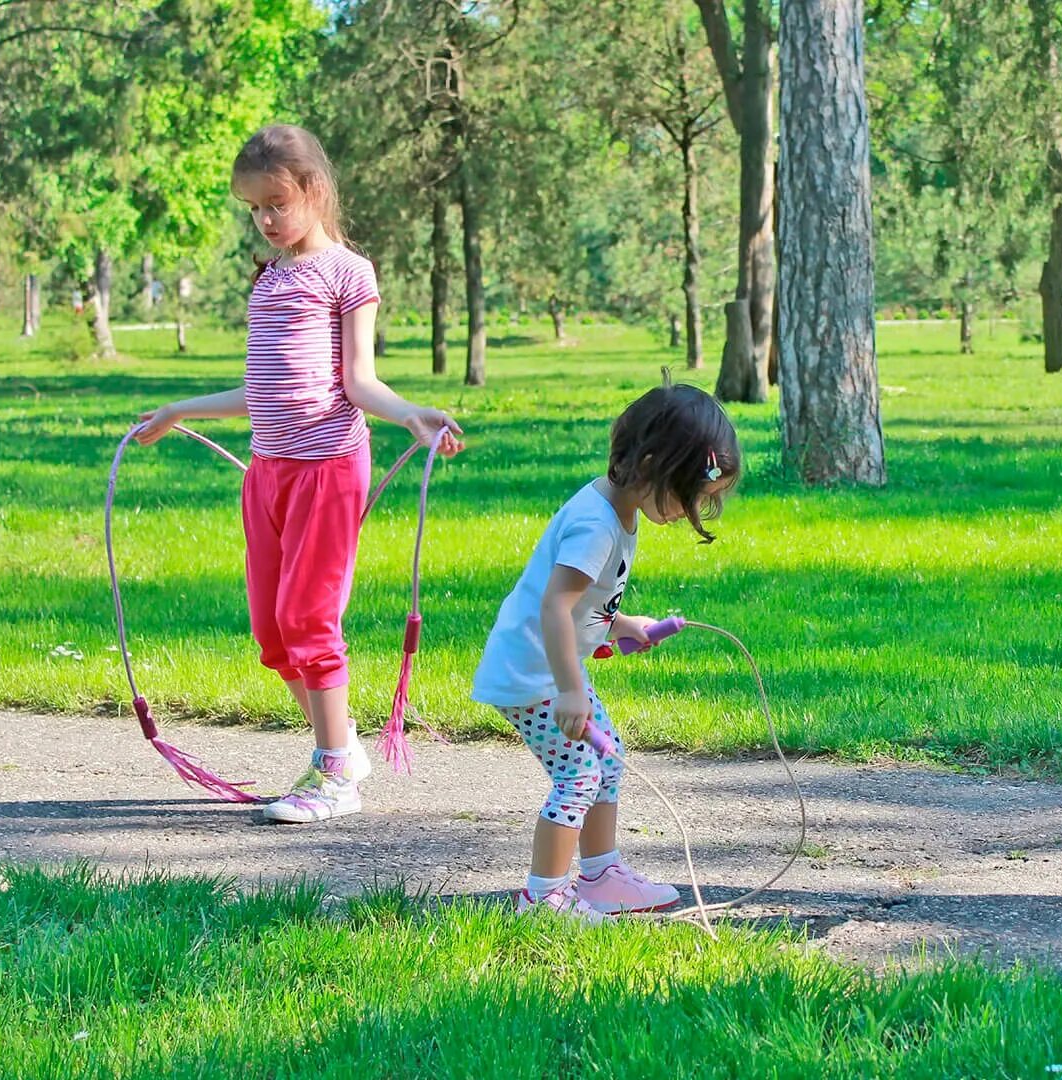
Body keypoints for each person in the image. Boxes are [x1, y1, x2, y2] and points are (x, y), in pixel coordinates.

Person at [137, 125, 462, 824]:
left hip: (328, 469)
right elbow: (261, 390)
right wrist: (177, 411)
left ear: (314, 190)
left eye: (276, 203)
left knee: (308, 618)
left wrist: (411, 415)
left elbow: (359, 380)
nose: (265, 220)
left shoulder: (349, 273)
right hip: (269, 472)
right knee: (272, 631)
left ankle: (336, 775)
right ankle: (338, 745)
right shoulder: (270, 280)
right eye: (254, 209)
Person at [471, 383, 740, 922]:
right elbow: (553, 608)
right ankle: (543, 897)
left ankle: (600, 875)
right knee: (578, 775)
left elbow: (583, 602)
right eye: (692, 496)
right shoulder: (596, 526)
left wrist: (623, 623)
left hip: (553, 665)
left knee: (606, 758)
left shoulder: (618, 509)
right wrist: (571, 689)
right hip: (535, 672)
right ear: (649, 466)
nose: (695, 510)